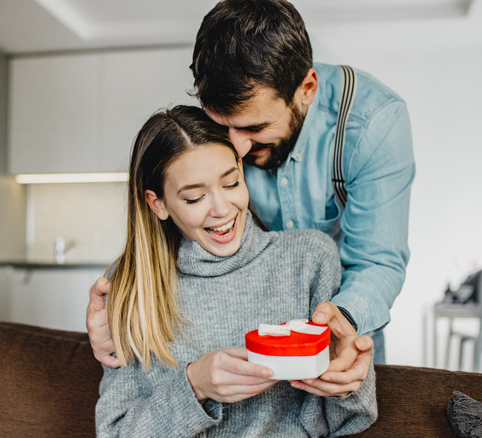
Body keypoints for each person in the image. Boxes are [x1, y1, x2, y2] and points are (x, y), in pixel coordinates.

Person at [88, 0, 414, 393]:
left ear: (306, 89)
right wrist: (121, 307)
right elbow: (178, 214)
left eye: (254, 127)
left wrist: (340, 325)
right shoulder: (228, 125)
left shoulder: (372, 124)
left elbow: (377, 261)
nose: (237, 148)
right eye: (223, 126)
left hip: (342, 324)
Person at [95, 105, 376, 437]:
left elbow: (349, 419)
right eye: (195, 198)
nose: (222, 209)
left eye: (231, 183)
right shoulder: (131, 284)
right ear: (158, 204)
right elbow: (114, 433)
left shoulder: (309, 259)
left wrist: (349, 382)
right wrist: (194, 387)